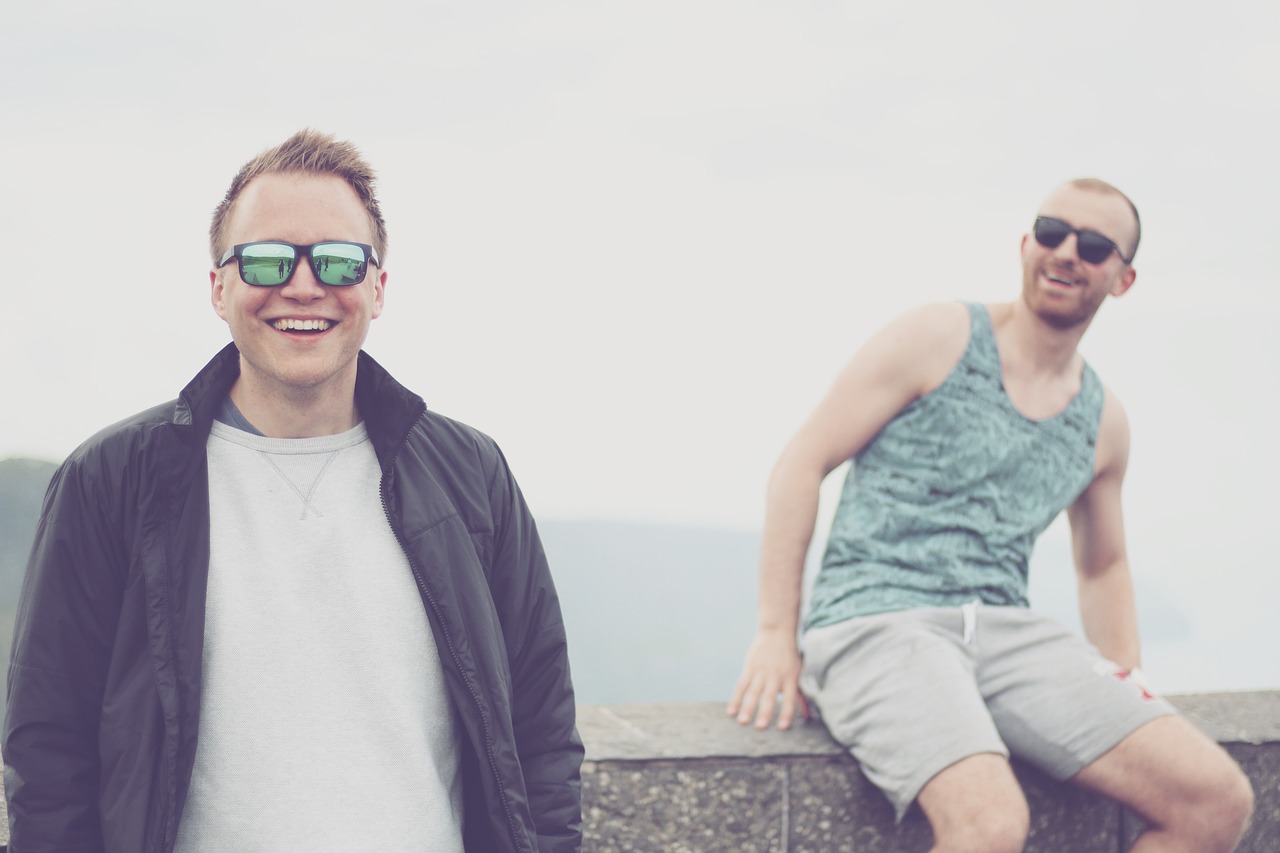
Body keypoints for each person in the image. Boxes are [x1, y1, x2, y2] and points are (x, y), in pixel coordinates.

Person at [4, 130, 582, 852]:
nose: (303, 286)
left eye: (338, 260)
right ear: (220, 287)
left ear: (378, 286)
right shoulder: (111, 481)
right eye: (267, 259)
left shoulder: (471, 475)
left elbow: (542, 730)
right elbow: (48, 751)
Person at [727, 179, 1254, 852]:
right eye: (1052, 231)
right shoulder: (938, 335)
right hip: (876, 620)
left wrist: (1126, 676)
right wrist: (776, 628)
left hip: (1007, 633)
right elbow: (802, 461)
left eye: (1093, 246)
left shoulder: (1103, 420)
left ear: (1122, 278)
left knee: (1215, 799)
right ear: (1026, 243)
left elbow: (1103, 562)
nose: (1067, 252)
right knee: (991, 822)